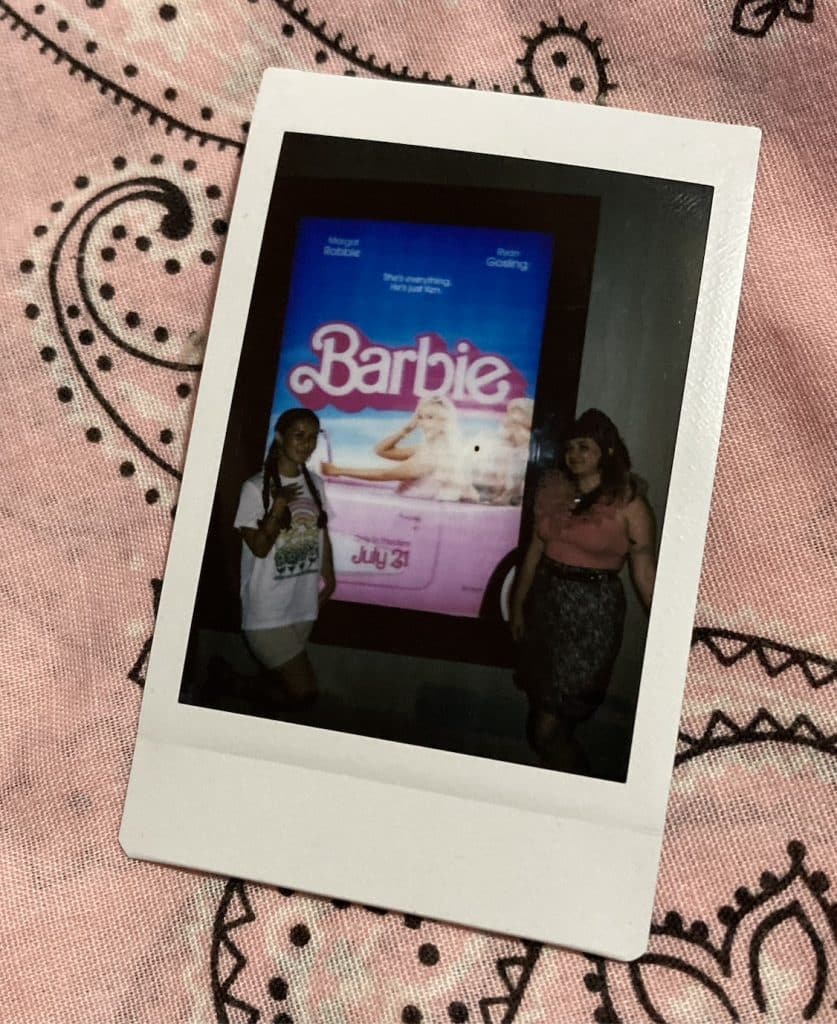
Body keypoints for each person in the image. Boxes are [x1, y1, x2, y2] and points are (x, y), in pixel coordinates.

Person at [509, 408, 656, 772]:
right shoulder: (553, 492)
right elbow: (534, 552)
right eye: (571, 447)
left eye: (584, 447)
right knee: (544, 712)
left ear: (607, 451)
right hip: (547, 606)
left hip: (592, 616)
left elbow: (644, 569)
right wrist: (518, 605)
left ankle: (583, 784)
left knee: (547, 730)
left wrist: (667, 628)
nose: (574, 455)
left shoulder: (629, 502)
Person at [234, 407, 335, 711]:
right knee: (305, 694)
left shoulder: (315, 484)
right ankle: (228, 683)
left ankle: (229, 683)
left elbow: (320, 533)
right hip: (267, 611)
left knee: (279, 683)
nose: (306, 443)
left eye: (313, 436)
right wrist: (278, 508)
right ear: (280, 437)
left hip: (301, 605)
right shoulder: (255, 488)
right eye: (298, 435)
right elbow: (259, 549)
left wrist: (330, 579)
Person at [321, 395, 478, 501]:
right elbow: (381, 451)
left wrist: (337, 470)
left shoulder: (434, 454)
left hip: (418, 518)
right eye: (420, 417)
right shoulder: (431, 448)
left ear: (445, 421)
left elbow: (385, 474)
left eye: (430, 417)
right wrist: (406, 430)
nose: (422, 423)